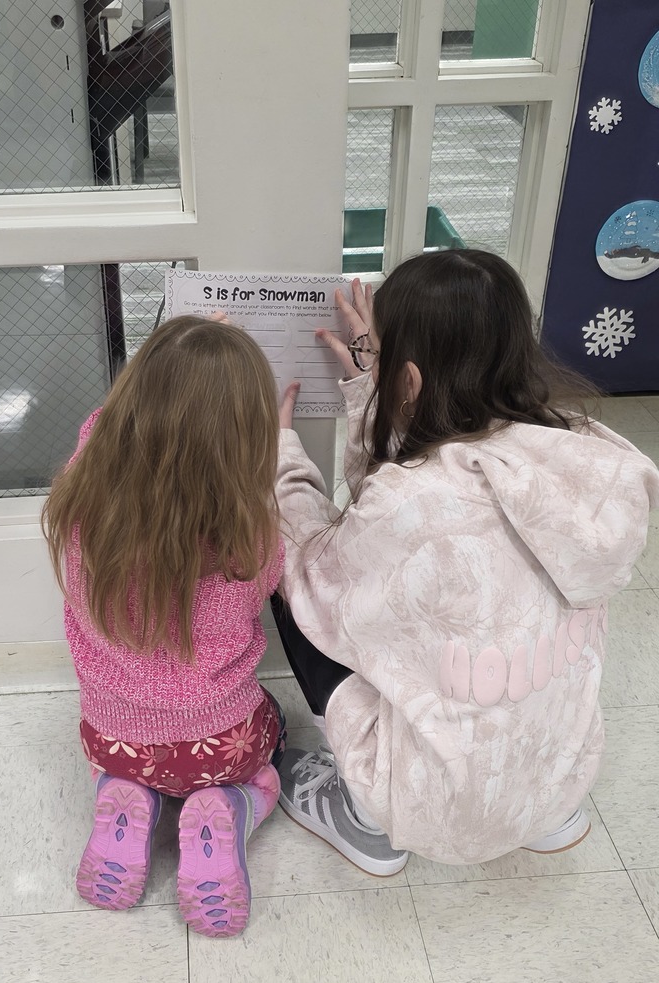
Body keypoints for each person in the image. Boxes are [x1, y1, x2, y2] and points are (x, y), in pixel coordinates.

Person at [273, 249, 659, 873]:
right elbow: (423, 481)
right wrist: (372, 386)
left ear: (413, 380)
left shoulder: (410, 500)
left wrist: (282, 460)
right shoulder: (584, 452)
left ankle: (368, 822)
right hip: (559, 770)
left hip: (433, 803)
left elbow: (325, 569)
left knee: (293, 578)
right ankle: (545, 812)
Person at [43, 315, 284, 937]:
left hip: (114, 737)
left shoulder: (79, 503)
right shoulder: (249, 535)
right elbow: (275, 574)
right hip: (219, 742)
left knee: (124, 763)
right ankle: (229, 801)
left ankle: (124, 800)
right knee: (273, 744)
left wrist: (176, 367)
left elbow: (98, 431)